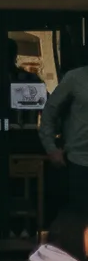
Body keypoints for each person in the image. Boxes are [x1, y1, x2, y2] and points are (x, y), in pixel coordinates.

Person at [40, 59, 88, 212]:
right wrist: (51, 148)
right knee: (80, 220)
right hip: (80, 161)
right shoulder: (75, 78)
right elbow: (49, 111)